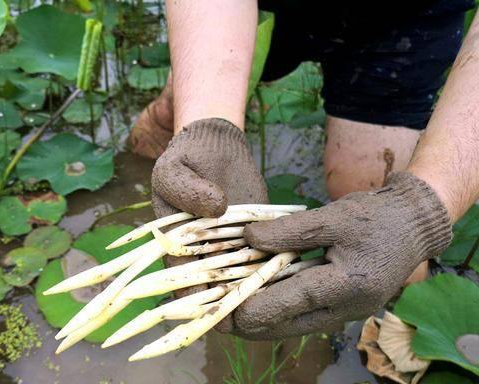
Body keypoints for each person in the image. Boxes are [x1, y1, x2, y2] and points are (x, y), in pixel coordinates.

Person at [131, 0, 479, 340]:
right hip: (254, 9)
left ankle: (400, 335)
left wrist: (421, 211)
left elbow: (412, 216)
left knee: (383, 223)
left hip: (403, 19)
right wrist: (206, 122)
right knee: (181, 117)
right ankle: (142, 154)